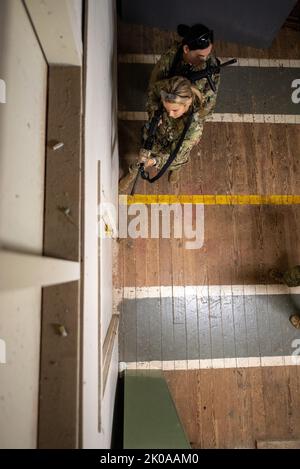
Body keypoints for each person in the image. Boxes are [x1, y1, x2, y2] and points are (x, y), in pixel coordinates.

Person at [119, 76, 204, 192]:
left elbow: (176, 154)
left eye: (175, 110)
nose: (170, 114)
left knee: (176, 163)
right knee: (141, 159)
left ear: (187, 103)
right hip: (157, 134)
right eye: (166, 108)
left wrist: (154, 161)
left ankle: (176, 170)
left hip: (175, 150)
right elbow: (152, 93)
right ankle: (131, 176)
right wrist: (154, 112)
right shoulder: (166, 89)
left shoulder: (194, 127)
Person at [147, 23, 220, 122]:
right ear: (186, 49)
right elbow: (153, 86)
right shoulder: (172, 57)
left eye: (208, 54)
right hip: (168, 99)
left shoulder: (210, 68)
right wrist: (156, 111)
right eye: (200, 56)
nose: (205, 60)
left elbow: (206, 109)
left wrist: (185, 117)